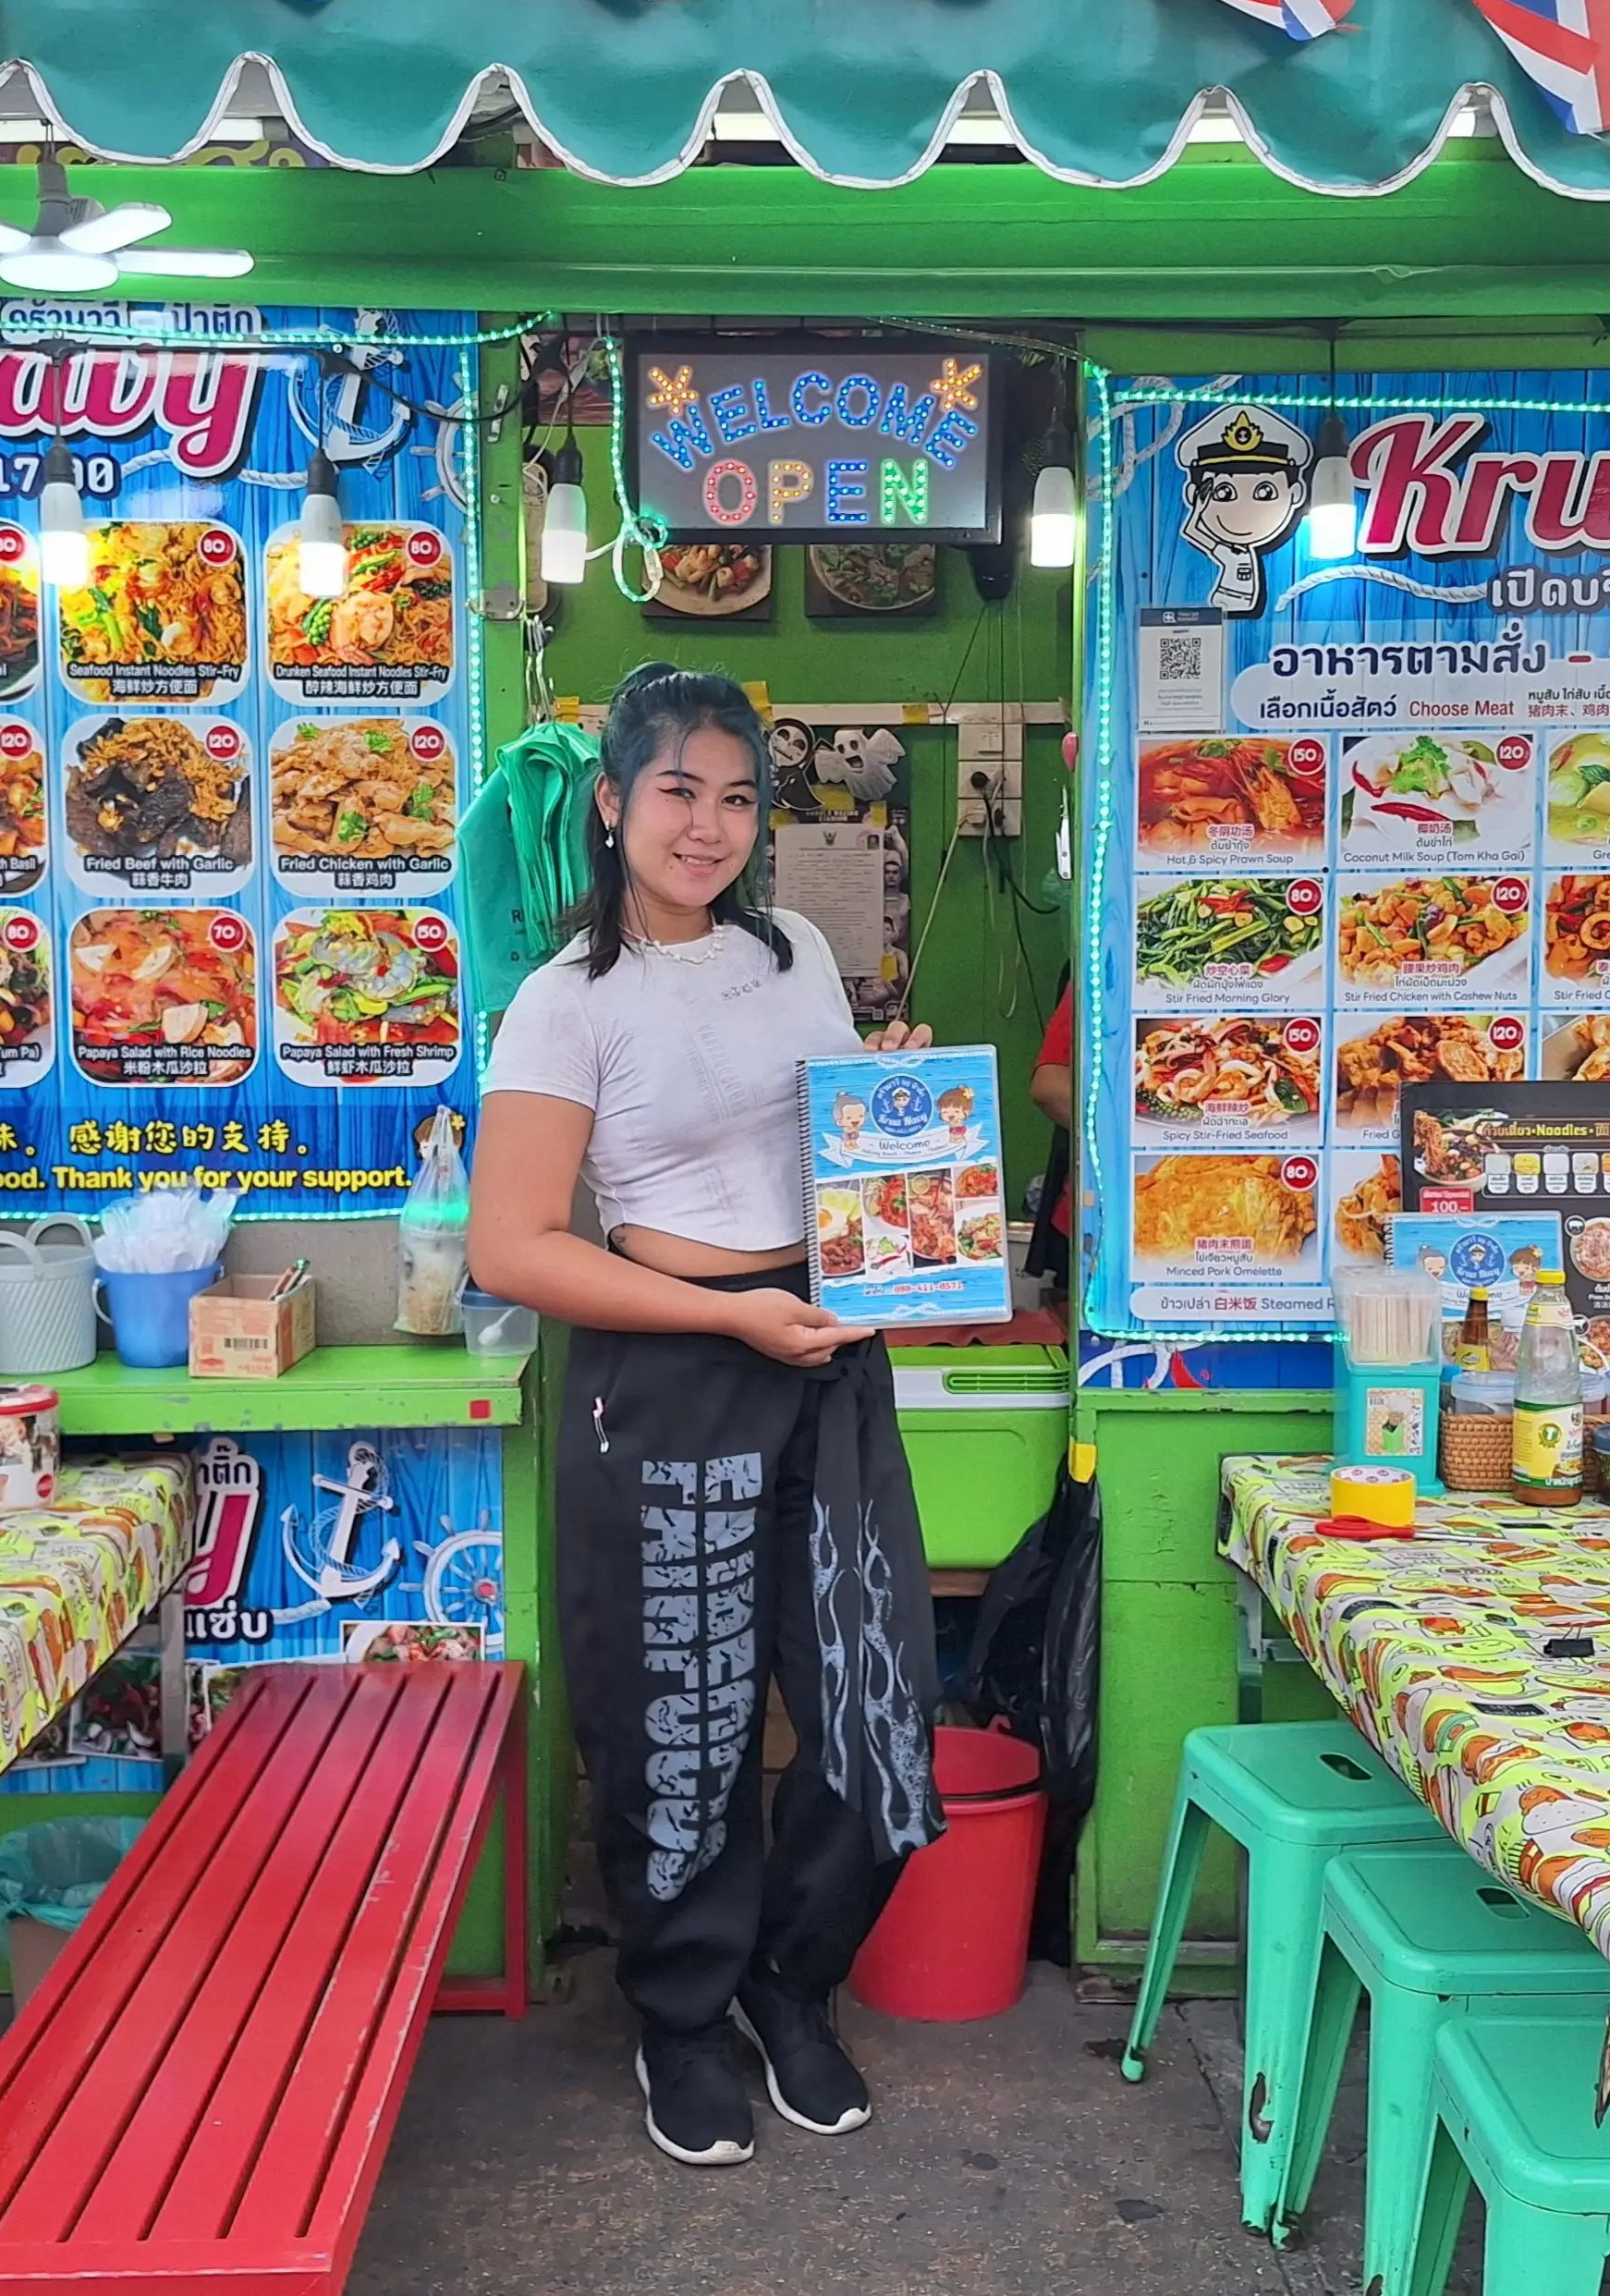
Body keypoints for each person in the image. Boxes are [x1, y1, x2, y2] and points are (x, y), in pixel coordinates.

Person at [471, 664, 945, 2170]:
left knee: (876, 1713)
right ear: (613, 804)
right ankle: (679, 2015)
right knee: (679, 1725)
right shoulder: (564, 1004)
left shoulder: (795, 943)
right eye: (677, 791)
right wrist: (728, 1313)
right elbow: (515, 1247)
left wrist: (885, 1100)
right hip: (674, 1365)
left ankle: (783, 1980)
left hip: (825, 1346)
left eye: (737, 796)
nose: (710, 825)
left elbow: (807, 1123)